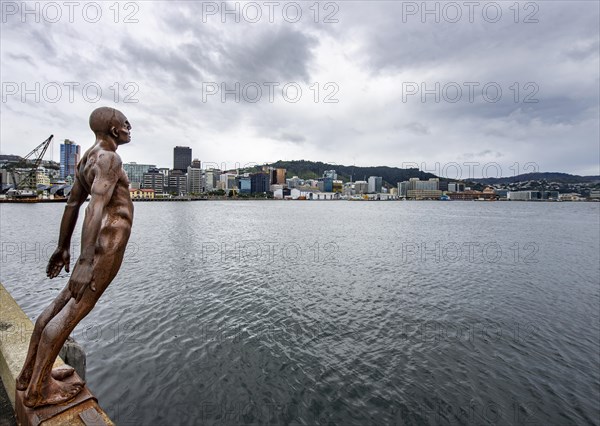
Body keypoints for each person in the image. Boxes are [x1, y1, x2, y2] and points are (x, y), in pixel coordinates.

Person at [16, 107, 134, 407]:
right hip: (107, 242)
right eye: (124, 123)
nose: (129, 127)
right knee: (74, 311)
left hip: (91, 244)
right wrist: (83, 263)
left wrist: (63, 247)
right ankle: (39, 391)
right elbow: (93, 207)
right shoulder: (110, 159)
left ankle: (30, 373)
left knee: (60, 304)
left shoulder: (87, 160)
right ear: (112, 130)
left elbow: (71, 205)